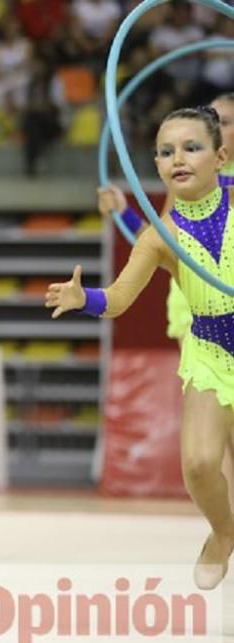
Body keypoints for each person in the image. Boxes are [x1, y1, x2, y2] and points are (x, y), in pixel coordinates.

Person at [47, 106, 234, 590]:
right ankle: (223, 531)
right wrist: (82, 297)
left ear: (222, 155)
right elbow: (119, 298)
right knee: (197, 463)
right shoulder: (159, 236)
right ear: (155, 166)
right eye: (167, 151)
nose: (179, 158)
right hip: (212, 353)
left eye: (192, 147)